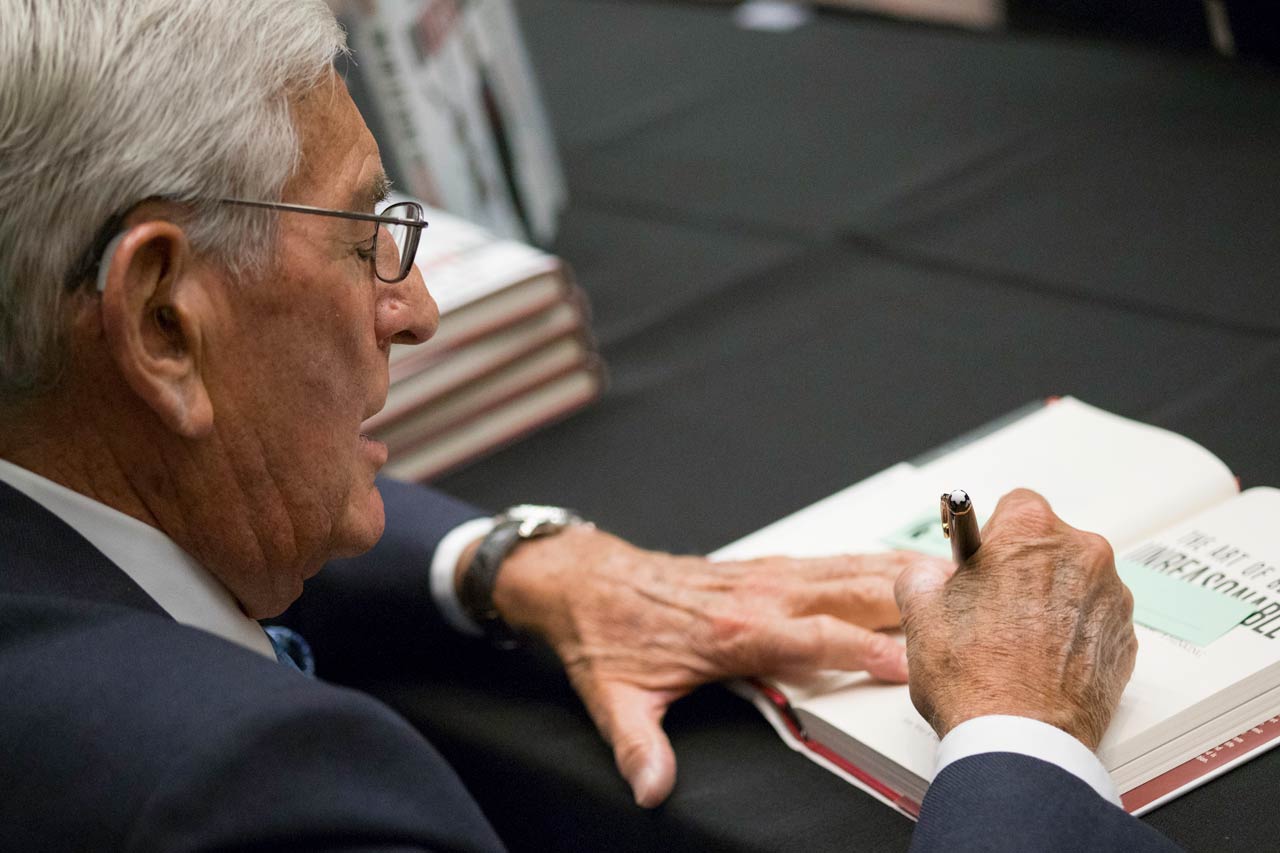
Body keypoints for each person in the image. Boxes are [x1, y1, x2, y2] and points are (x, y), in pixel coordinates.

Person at [0, 1, 1174, 849]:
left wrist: (512, 562)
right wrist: (1022, 738)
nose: (415, 309)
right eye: (364, 237)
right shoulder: (259, 794)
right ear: (161, 322)